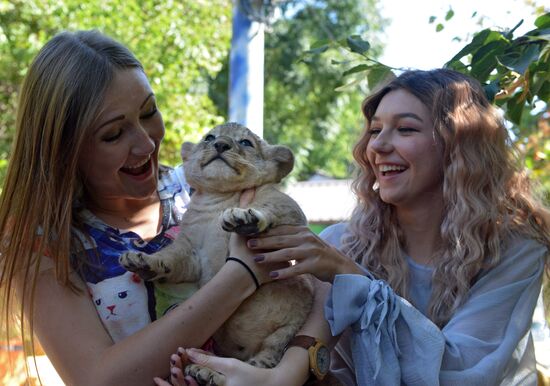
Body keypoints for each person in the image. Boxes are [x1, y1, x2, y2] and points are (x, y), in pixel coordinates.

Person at [171, 69, 549, 385]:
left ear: (457, 147)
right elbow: (317, 368)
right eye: (375, 129)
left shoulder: (515, 249)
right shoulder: (341, 243)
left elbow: (461, 371)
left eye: (405, 129)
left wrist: (350, 278)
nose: (377, 146)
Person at [0, 30, 331, 386]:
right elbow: (98, 379)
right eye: (113, 134)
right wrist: (241, 275)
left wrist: (284, 375)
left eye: (148, 112)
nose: (146, 143)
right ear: (64, 148)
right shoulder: (41, 242)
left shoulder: (210, 183)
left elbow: (320, 288)